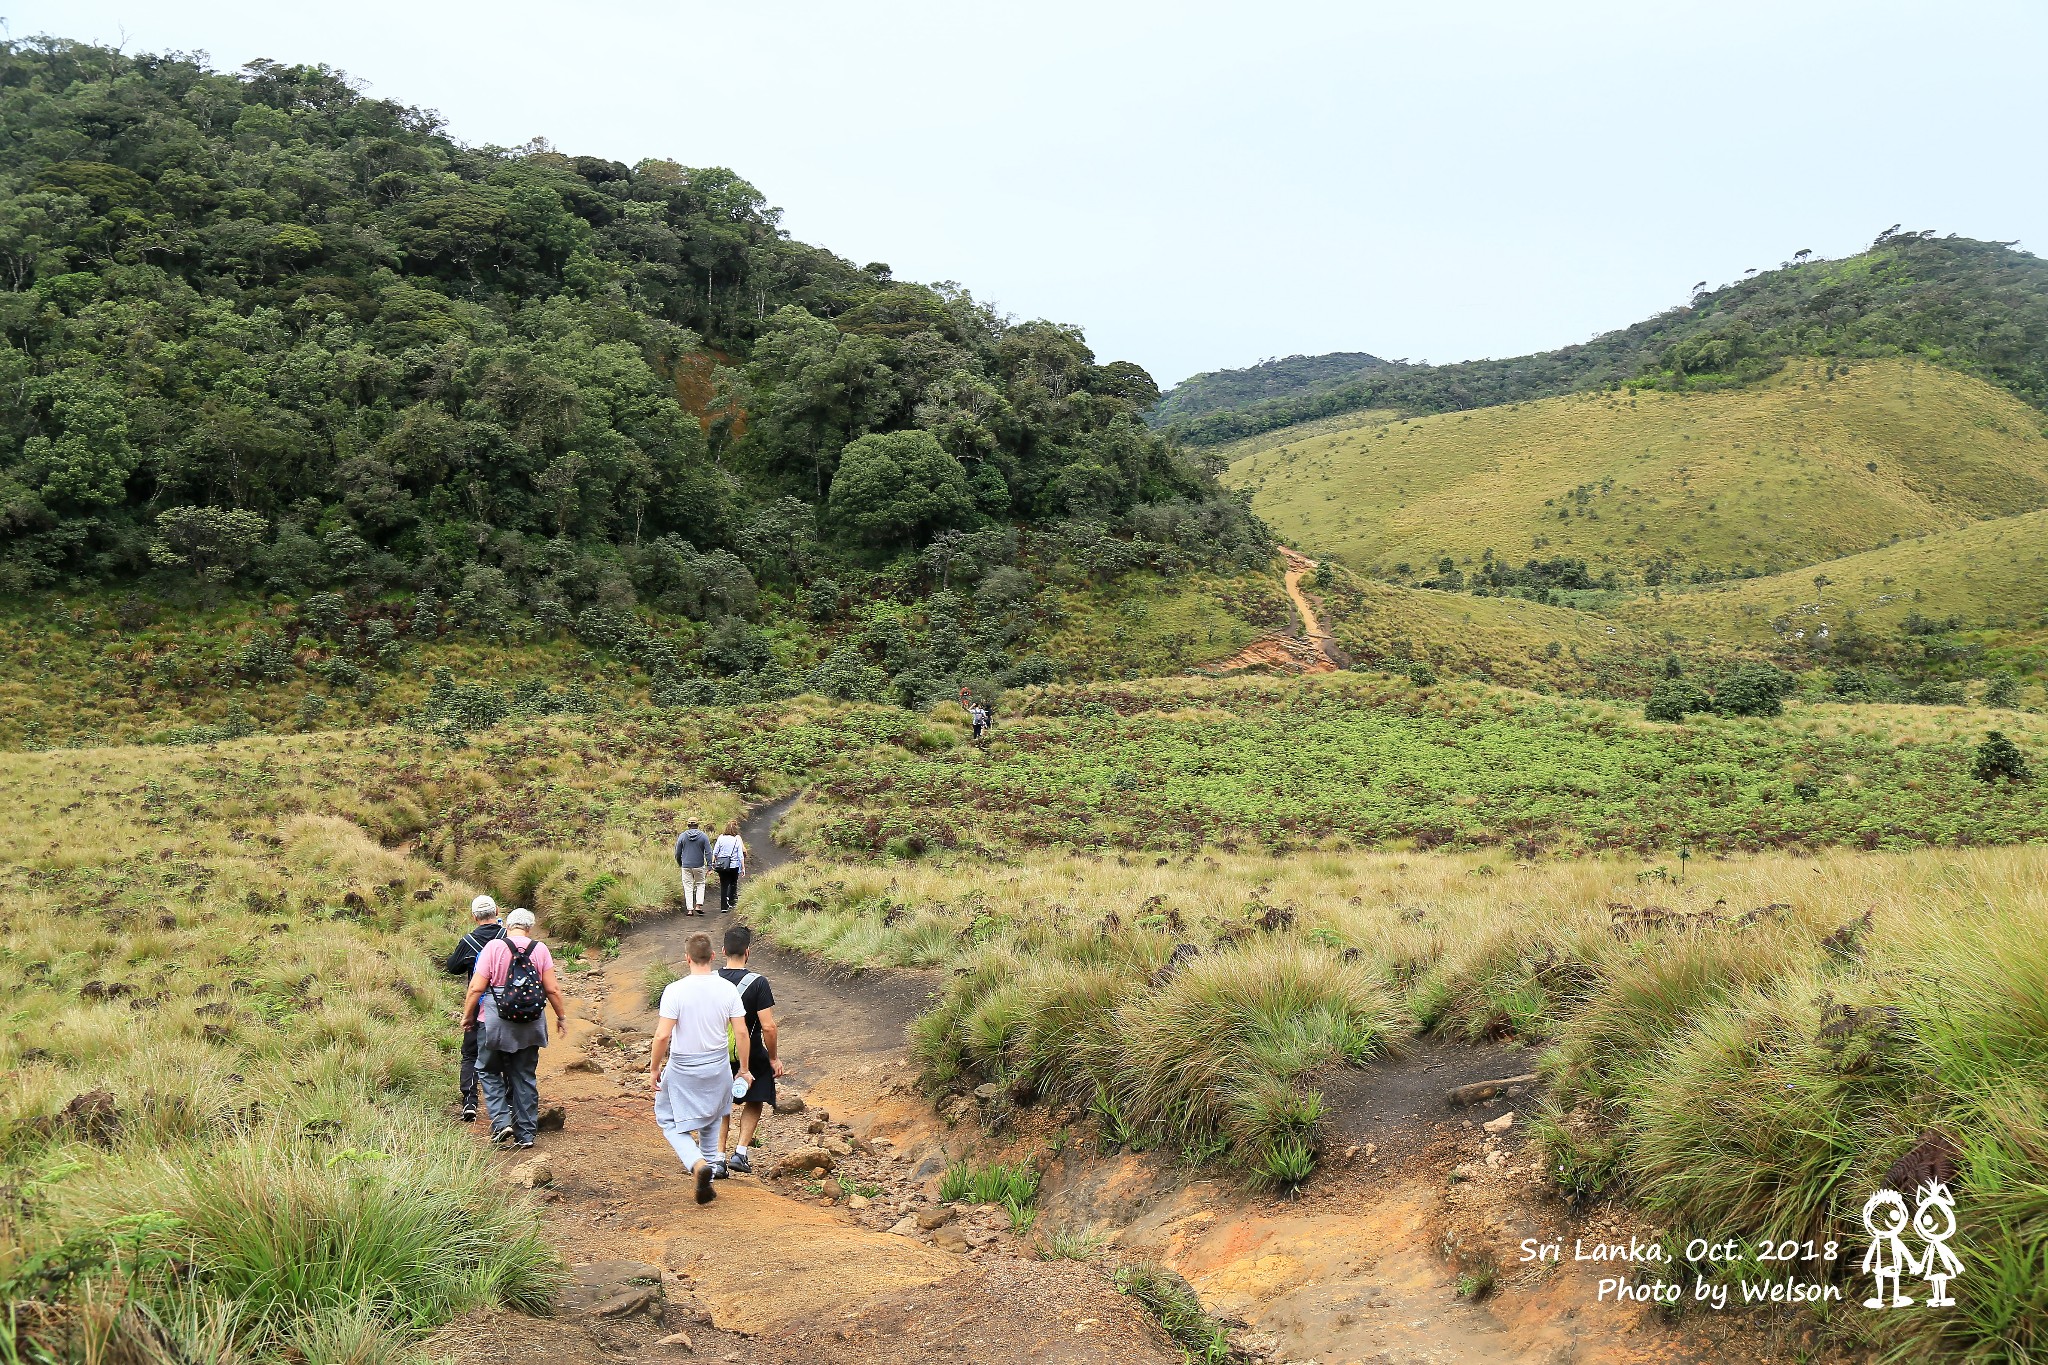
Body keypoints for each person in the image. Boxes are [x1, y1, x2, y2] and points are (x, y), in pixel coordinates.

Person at [651, 931, 751, 1204]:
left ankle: (697, 1163)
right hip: (718, 1064)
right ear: (713, 956)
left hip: (683, 1065)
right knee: (712, 1114)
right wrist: (743, 1069)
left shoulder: (675, 990)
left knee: (668, 1119)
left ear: (687, 958)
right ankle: (707, 1165)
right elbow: (741, 1033)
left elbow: (662, 1035)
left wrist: (654, 1068)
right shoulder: (727, 989)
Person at [459, 908, 568, 1150]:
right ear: (530, 928)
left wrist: (468, 1016)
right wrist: (561, 1017)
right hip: (531, 1022)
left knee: (487, 1070)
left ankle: (501, 1122)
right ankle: (526, 1134)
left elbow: (477, 987)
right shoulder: (540, 949)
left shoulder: (493, 948)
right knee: (524, 1076)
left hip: (493, 1021)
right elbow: (552, 990)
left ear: (507, 926)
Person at [716, 925, 785, 1173]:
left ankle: (717, 1158)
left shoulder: (710, 981)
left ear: (723, 950)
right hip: (751, 1050)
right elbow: (768, 1027)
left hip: (716, 1053)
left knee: (720, 1103)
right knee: (756, 1096)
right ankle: (740, 1153)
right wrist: (773, 1057)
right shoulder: (758, 983)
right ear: (748, 951)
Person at [445, 895, 507, 1122]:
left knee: (470, 1054)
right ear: (497, 911)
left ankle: (469, 1102)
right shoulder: (507, 936)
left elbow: (452, 967)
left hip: (478, 1003)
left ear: (474, 916)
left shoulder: (469, 941)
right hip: (508, 1005)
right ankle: (509, 1102)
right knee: (508, 1052)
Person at [674, 817, 712, 916]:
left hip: (686, 865)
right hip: (699, 865)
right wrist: (710, 866)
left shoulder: (682, 836)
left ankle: (690, 910)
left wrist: (680, 863)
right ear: (697, 825)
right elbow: (708, 852)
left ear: (688, 825)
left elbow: (677, 852)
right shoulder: (703, 836)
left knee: (688, 886)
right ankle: (698, 905)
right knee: (700, 883)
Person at [711, 820, 746, 915]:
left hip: (722, 865)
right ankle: (731, 901)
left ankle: (723, 906)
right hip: (734, 866)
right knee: (733, 883)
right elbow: (740, 855)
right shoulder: (736, 840)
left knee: (723, 885)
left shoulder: (721, 838)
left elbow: (715, 852)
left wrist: (712, 863)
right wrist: (743, 867)